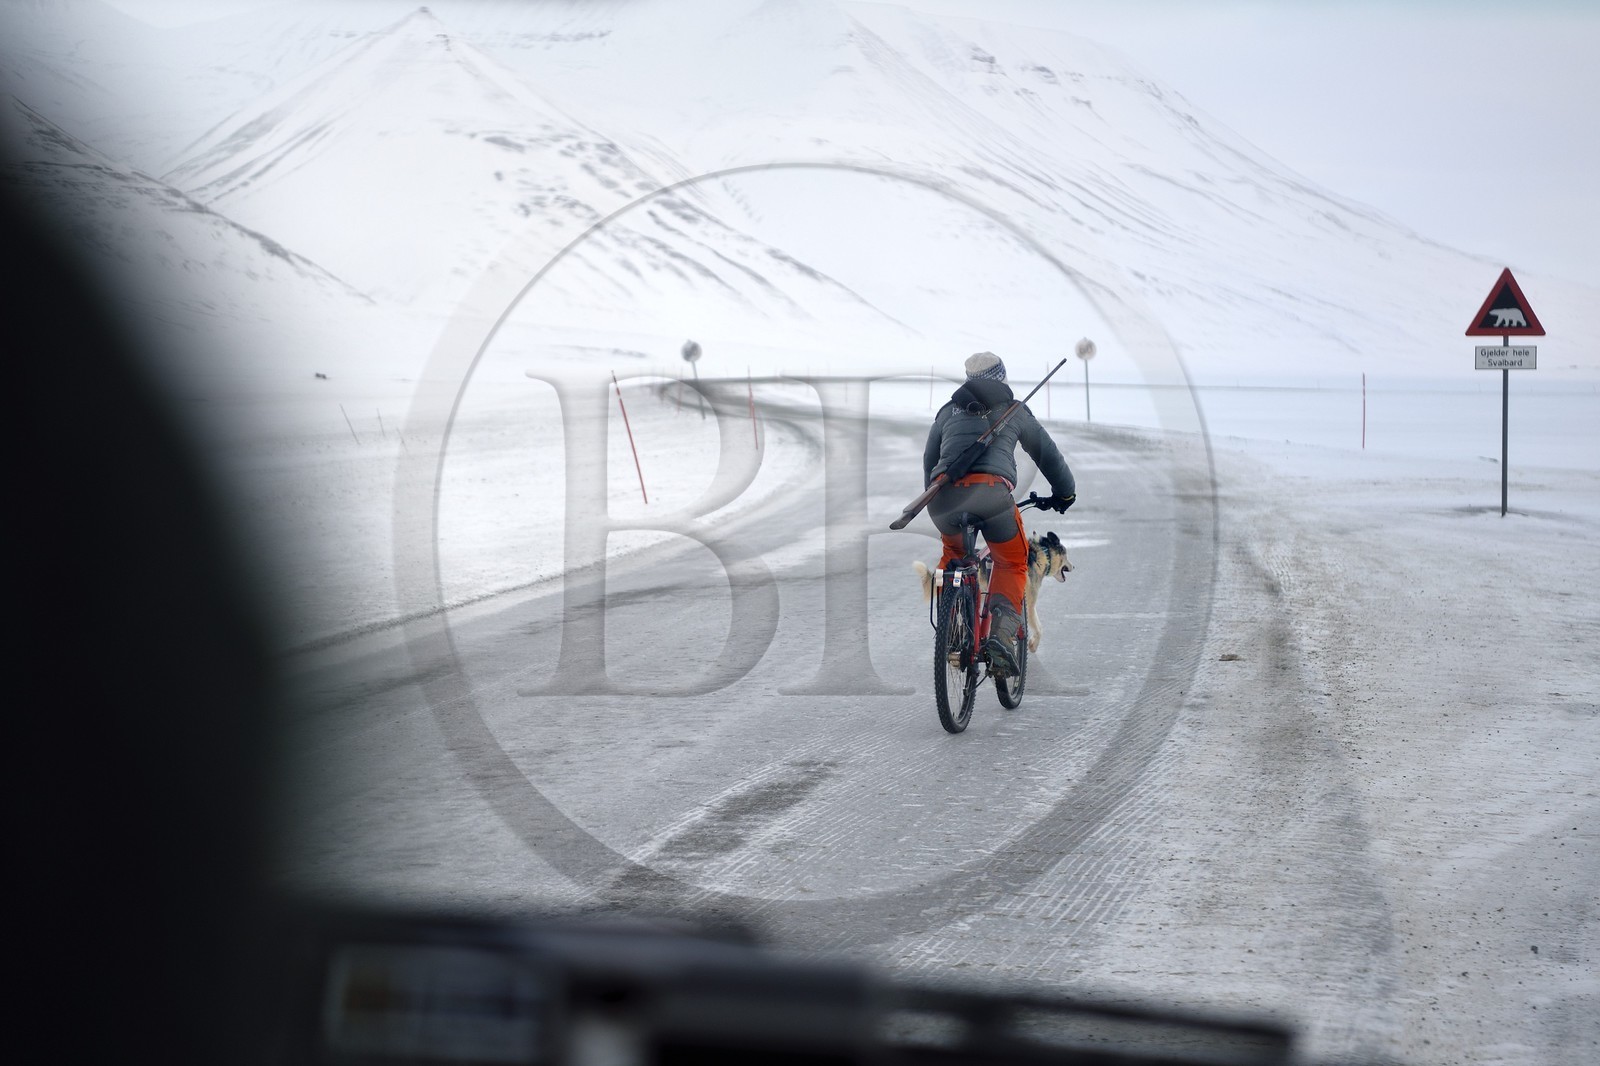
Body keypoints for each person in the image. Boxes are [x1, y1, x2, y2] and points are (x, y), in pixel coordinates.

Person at [923, 352, 1076, 674]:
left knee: (953, 557)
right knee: (1012, 561)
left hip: (943, 499)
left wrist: (935, 498)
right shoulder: (1014, 410)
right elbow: (1048, 455)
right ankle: (1001, 638)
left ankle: (952, 622)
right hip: (991, 497)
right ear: (1001, 377)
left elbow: (929, 461)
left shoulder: (947, 412)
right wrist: (1065, 492)